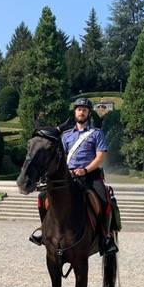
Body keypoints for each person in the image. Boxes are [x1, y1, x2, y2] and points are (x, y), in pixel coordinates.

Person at [30, 97, 118, 256]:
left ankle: (105, 238)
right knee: (43, 197)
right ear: (75, 112)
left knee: (104, 199)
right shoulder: (66, 136)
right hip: (68, 177)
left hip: (90, 176)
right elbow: (60, 157)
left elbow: (100, 158)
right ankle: (44, 231)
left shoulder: (96, 133)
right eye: (79, 109)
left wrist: (84, 170)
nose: (81, 112)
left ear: (89, 113)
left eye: (84, 109)